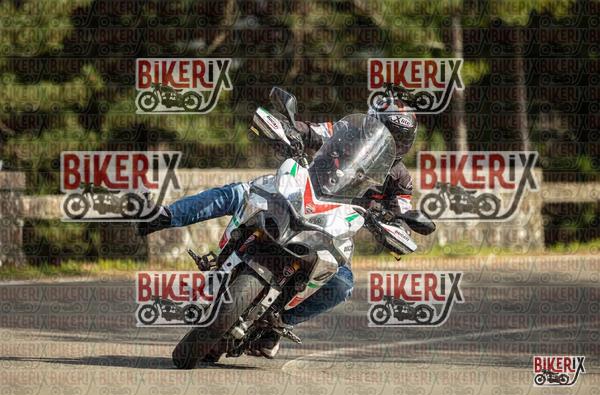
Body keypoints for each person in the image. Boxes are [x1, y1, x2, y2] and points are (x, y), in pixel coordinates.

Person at [136, 90, 418, 358]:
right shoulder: (343, 132)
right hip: (300, 195)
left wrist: (396, 229)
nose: (390, 141)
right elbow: (310, 131)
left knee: (343, 283)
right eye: (387, 130)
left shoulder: (400, 179)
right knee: (241, 193)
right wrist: (287, 129)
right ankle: (162, 217)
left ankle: (279, 323)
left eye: (399, 137)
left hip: (335, 226)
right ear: (371, 122)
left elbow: (403, 213)